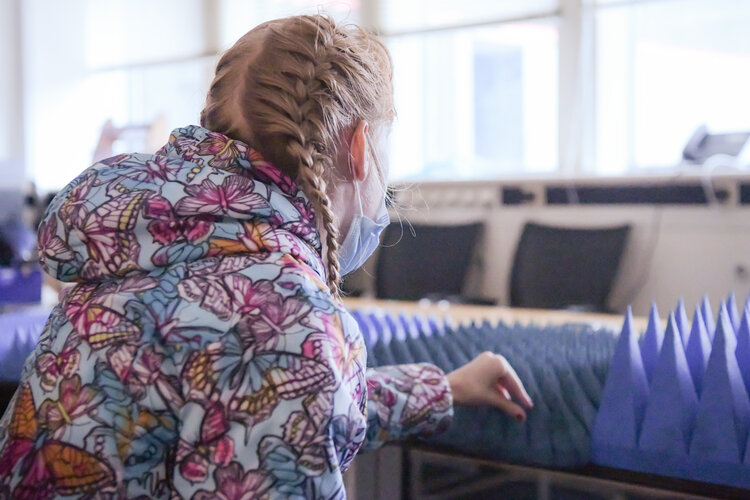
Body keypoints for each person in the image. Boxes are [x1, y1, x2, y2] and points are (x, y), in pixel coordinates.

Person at [0, 15, 532, 499]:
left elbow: (249, 398)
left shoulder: (140, 246)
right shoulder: (290, 322)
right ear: (360, 147)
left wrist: (443, 389)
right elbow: (277, 377)